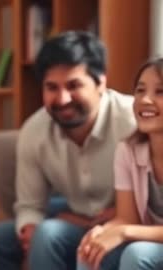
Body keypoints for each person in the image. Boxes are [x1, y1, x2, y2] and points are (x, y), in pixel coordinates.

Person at [0, 31, 136, 270]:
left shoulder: (133, 121)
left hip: (124, 221)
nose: (63, 98)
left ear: (101, 82)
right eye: (52, 87)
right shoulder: (34, 131)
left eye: (74, 85)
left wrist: (117, 216)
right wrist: (29, 229)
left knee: (49, 233)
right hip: (71, 216)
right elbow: (30, 206)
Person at [77, 58, 163, 270]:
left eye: (160, 92)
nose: (146, 100)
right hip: (148, 240)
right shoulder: (128, 151)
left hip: (146, 246)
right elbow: (127, 217)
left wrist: (125, 232)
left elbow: (128, 228)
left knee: (137, 254)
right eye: (140, 91)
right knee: (89, 249)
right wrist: (102, 232)